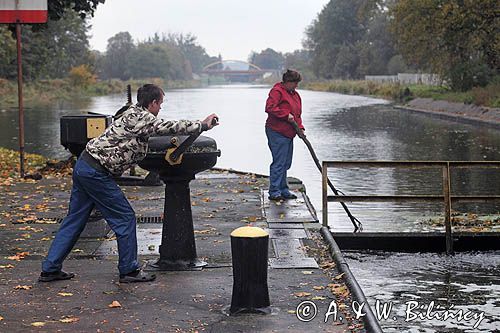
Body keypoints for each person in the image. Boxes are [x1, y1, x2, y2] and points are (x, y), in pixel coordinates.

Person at [40, 84, 219, 283]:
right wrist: (202, 125)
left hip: (84, 165)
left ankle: (50, 268)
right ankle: (129, 270)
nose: (160, 108)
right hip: (96, 173)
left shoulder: (132, 112)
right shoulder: (142, 118)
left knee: (75, 219)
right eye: (160, 104)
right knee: (125, 217)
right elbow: (167, 127)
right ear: (152, 103)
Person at [265, 69, 305, 201]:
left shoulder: (295, 95)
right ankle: (274, 191)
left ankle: (283, 189)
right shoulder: (277, 91)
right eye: (294, 83)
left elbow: (297, 115)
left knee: (286, 163)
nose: (296, 85)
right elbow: (270, 108)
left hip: (289, 133)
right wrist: (285, 115)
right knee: (279, 162)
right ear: (287, 82)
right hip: (276, 131)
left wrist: (301, 129)